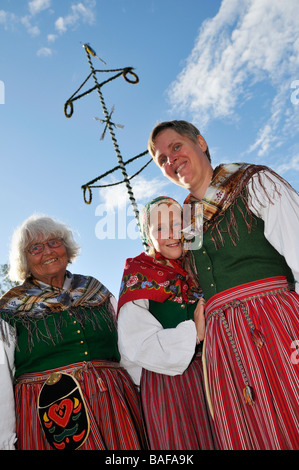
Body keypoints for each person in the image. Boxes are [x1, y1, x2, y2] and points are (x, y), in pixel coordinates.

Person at [147, 120, 299, 450]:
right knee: (248, 431)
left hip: (274, 321)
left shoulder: (253, 181)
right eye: (162, 160)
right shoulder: (184, 222)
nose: (171, 160)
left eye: (175, 147)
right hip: (221, 341)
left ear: (200, 142)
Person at [0, 214, 147, 450]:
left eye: (54, 242)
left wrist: (142, 391)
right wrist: (5, 439)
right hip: (49, 413)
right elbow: (1, 378)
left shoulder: (96, 290)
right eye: (35, 247)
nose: (47, 251)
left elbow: (127, 346)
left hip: (112, 402)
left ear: (66, 248)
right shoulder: (9, 308)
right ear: (24, 260)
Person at [117, 196, 215, 450]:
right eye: (159, 228)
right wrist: (194, 331)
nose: (171, 234)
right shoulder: (139, 273)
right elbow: (135, 345)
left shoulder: (199, 265)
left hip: (214, 374)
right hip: (169, 385)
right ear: (147, 236)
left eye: (176, 223)